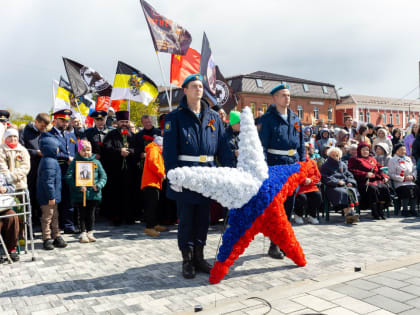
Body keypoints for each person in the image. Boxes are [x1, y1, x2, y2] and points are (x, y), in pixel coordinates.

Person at [163, 74, 231, 279]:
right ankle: (187, 258)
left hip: (207, 174)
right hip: (185, 173)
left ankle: (199, 257)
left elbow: (223, 148)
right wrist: (173, 175)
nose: (198, 89)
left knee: (203, 218)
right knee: (186, 219)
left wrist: (231, 171)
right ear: (185, 90)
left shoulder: (212, 117)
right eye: (194, 86)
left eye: (201, 86)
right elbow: (169, 151)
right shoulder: (174, 118)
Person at [258, 83, 304, 259]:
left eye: (289, 95)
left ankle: (284, 241)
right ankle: (274, 244)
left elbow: (300, 145)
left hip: (291, 165)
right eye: (283, 95)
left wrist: (300, 165)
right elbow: (261, 146)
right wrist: (264, 170)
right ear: (275, 98)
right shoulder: (267, 120)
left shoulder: (295, 118)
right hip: (274, 165)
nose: (287, 98)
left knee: (288, 206)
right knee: (276, 208)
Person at [65, 140, 107, 243]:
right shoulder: (75, 162)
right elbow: (68, 177)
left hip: (93, 193)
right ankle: (82, 232)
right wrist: (78, 186)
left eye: (88, 150)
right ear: (79, 151)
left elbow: (103, 176)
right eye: (83, 150)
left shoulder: (96, 162)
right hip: (80, 194)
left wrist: (98, 185)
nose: (86, 152)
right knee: (81, 214)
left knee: (91, 213)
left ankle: (90, 232)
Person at [44, 109, 78, 234]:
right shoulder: (48, 135)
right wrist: (66, 157)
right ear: (55, 120)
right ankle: (56, 226)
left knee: (69, 199)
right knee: (56, 199)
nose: (65, 123)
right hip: (56, 170)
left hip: (69, 171)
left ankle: (69, 225)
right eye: (62, 120)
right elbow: (51, 151)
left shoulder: (71, 135)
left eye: (66, 121)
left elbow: (75, 151)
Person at [102, 111, 137, 225]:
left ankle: (129, 216)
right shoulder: (111, 135)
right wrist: (119, 152)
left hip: (130, 171)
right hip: (115, 171)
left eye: (126, 121)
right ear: (117, 122)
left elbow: (138, 150)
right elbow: (106, 149)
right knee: (115, 194)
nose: (124, 124)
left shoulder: (132, 136)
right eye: (122, 121)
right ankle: (116, 217)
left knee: (129, 194)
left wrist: (129, 152)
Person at [37, 133, 67, 250]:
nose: (59, 149)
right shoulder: (49, 162)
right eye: (57, 147)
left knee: (55, 216)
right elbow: (48, 181)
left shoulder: (50, 160)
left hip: (52, 195)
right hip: (48, 197)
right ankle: (47, 238)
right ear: (52, 148)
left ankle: (56, 235)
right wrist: (51, 196)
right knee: (47, 217)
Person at [20, 113, 50, 224]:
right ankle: (29, 223)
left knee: (42, 194)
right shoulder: (24, 132)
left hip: (42, 168)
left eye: (45, 127)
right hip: (30, 168)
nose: (43, 128)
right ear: (36, 122)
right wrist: (35, 152)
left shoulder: (45, 133)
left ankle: (40, 220)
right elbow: (21, 149)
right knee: (30, 195)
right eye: (42, 126)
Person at [348, 142, 390, 220]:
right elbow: (351, 170)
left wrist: (384, 176)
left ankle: (380, 210)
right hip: (363, 181)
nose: (365, 152)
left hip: (375, 180)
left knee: (384, 188)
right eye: (363, 150)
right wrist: (365, 174)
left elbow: (379, 170)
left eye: (367, 150)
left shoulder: (372, 159)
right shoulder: (354, 159)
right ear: (359, 150)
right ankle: (374, 211)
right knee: (372, 189)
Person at [320, 147, 359, 224]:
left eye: (337, 155)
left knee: (352, 190)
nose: (335, 157)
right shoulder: (325, 165)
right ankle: (348, 214)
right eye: (333, 155)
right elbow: (325, 177)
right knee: (343, 192)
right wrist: (337, 182)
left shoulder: (343, 164)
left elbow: (349, 174)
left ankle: (351, 213)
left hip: (345, 185)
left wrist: (350, 182)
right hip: (333, 187)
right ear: (329, 155)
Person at [141, 136, 167, 237]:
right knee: (151, 206)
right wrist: (161, 174)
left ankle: (154, 224)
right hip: (151, 183)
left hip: (153, 183)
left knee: (154, 205)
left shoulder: (154, 150)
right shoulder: (153, 150)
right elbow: (153, 164)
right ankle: (149, 227)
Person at [294, 143, 321, 225]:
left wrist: (310, 180)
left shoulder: (312, 162)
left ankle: (312, 216)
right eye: (302, 150)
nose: (304, 152)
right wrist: (303, 180)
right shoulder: (295, 162)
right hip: (299, 187)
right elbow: (293, 175)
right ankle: (298, 214)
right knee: (302, 197)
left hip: (310, 186)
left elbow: (317, 175)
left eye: (306, 150)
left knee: (317, 195)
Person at [389, 143, 418, 217]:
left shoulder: (408, 159)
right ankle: (404, 210)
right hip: (400, 182)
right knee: (406, 189)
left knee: (416, 189)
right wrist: (403, 178)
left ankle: (413, 209)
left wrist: (413, 176)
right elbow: (391, 174)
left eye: (404, 150)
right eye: (401, 150)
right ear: (396, 151)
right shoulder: (392, 160)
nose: (403, 151)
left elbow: (414, 169)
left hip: (410, 181)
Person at [0, 128, 31, 193]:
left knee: (24, 202)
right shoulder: (1, 150)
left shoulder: (23, 150)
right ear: (5, 138)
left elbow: (25, 166)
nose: (12, 139)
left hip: (21, 185)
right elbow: (1, 165)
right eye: (10, 136)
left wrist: (13, 176)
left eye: (15, 136)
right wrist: (7, 177)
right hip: (5, 186)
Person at [0, 172, 19, 261]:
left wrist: (5, 189)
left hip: (3, 206)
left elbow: (13, 188)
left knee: (12, 216)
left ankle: (12, 249)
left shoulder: (3, 174)